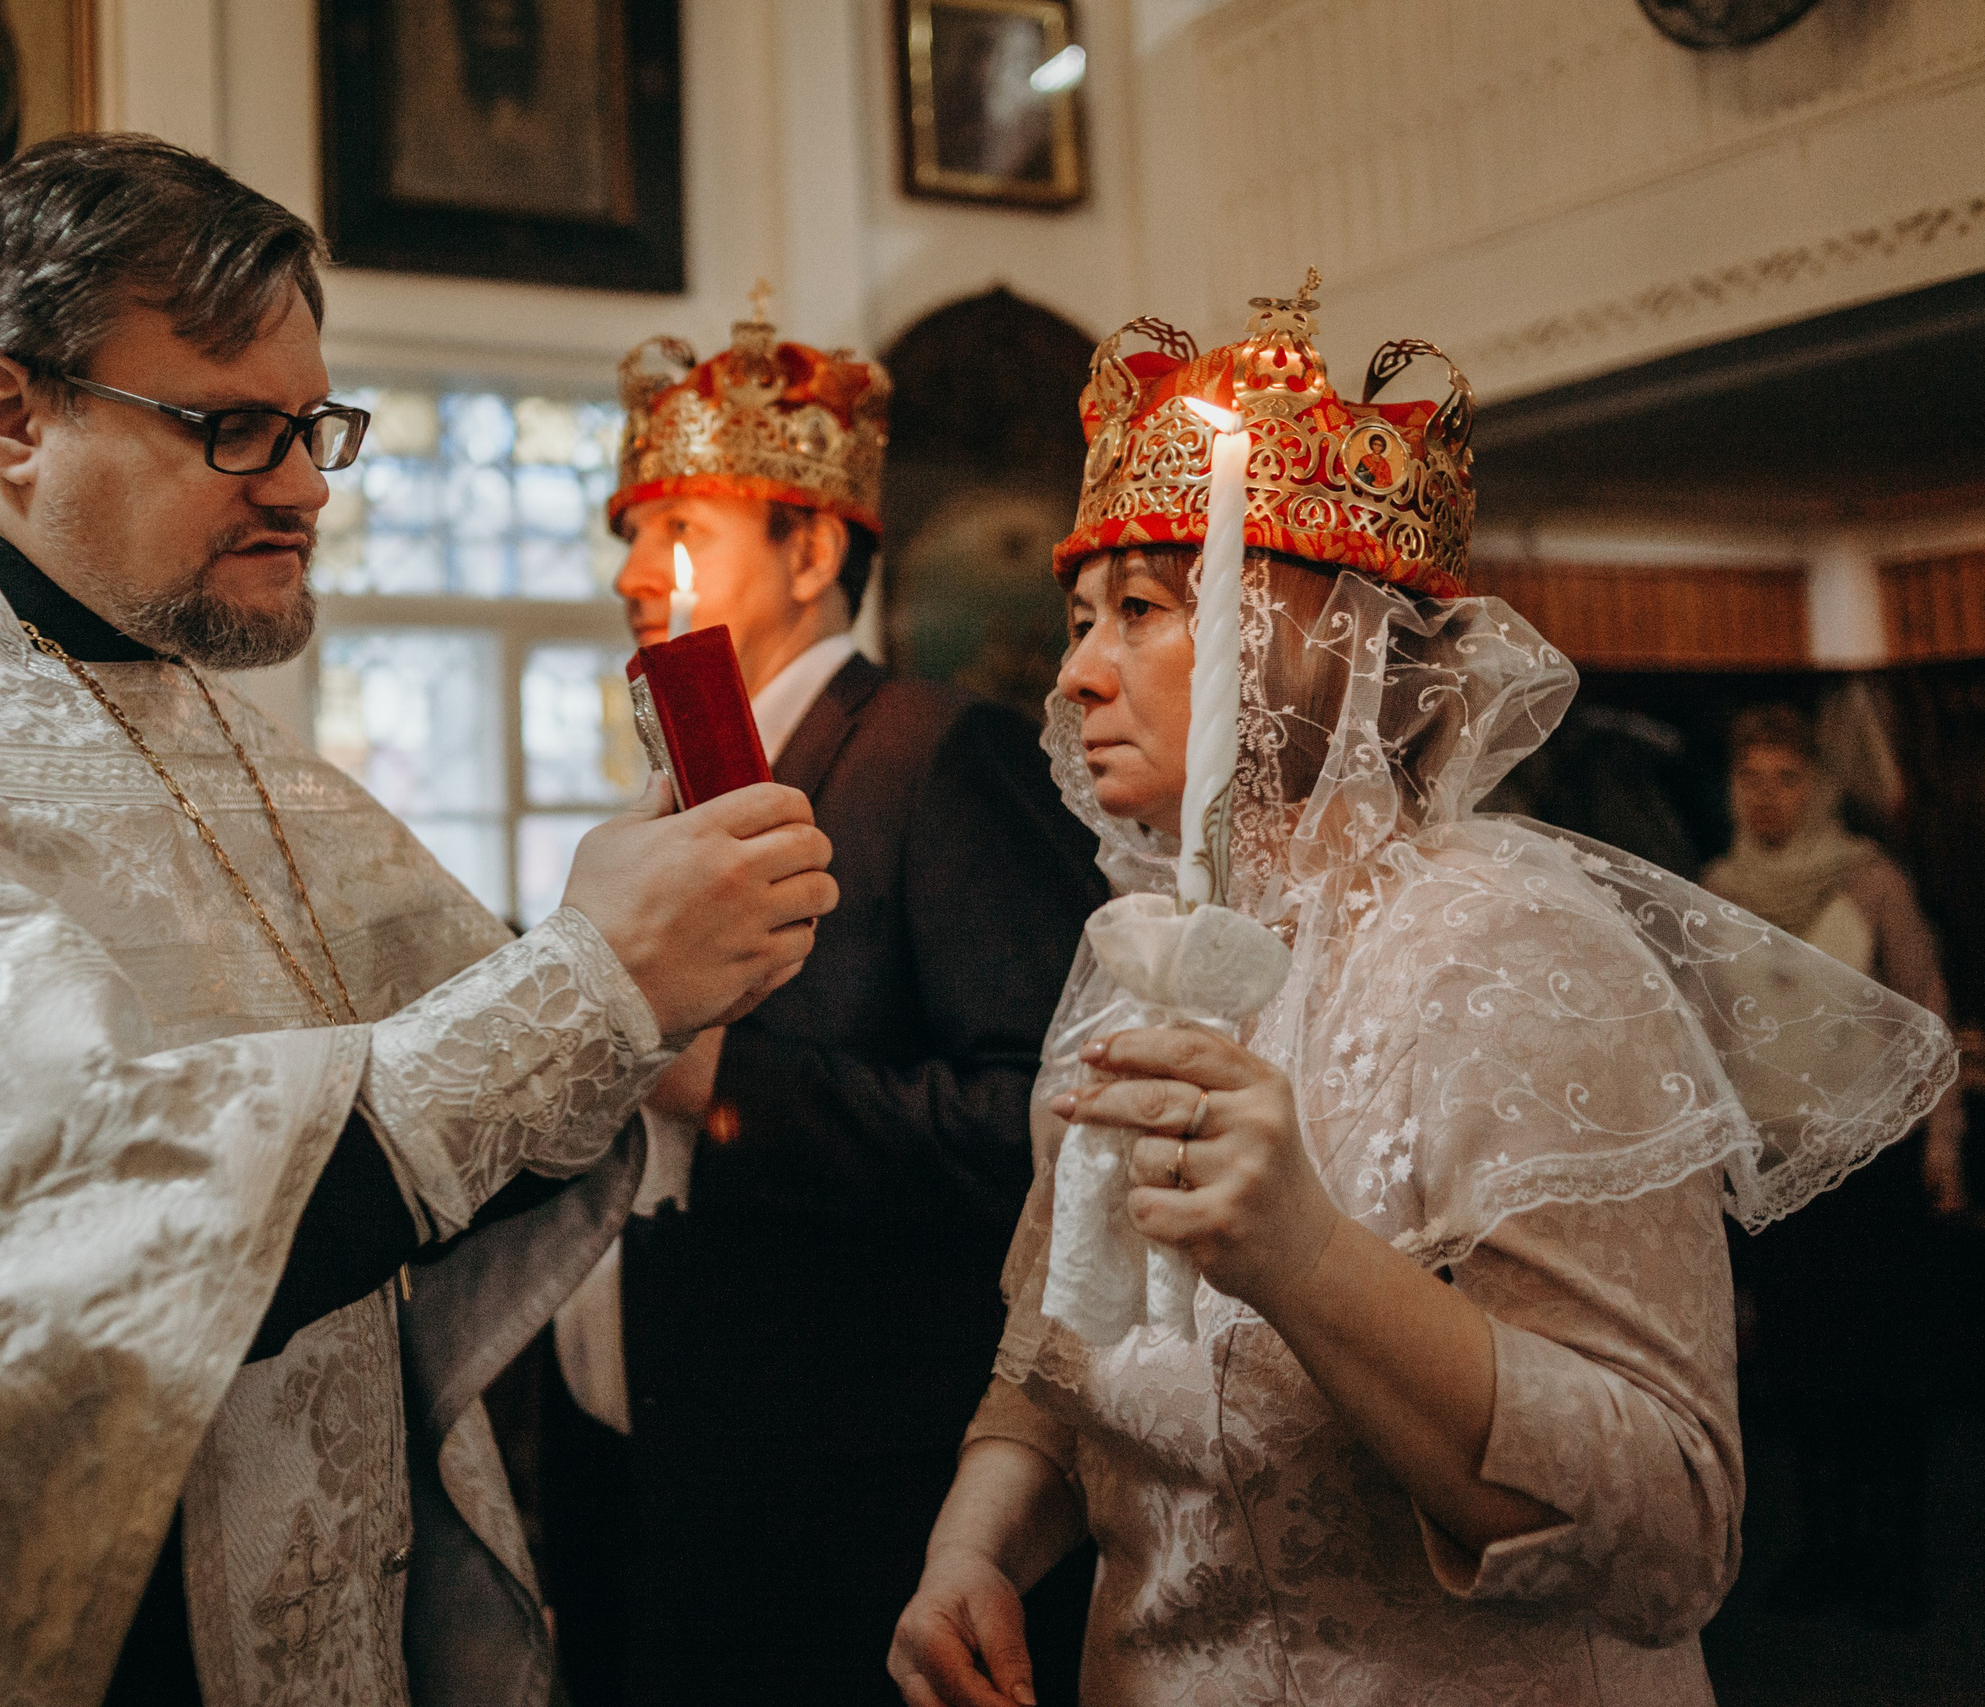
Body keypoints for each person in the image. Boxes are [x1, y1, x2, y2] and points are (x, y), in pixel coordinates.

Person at [0, 136, 837, 1707]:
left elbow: (453, 1076)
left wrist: (634, 961)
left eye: (317, 424)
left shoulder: (181, 707)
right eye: (236, 429)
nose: (311, 486)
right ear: (10, 413)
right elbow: (48, 1255)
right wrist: (593, 985)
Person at [886, 286, 1958, 1706]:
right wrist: (975, 1539)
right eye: (1080, 616)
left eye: (1142, 607)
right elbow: (1059, 1335)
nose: (1075, 672)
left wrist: (1305, 1254)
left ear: (1336, 638)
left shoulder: (1514, 946)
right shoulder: (1139, 951)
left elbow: (1677, 1525)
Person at [537, 303, 1106, 1706]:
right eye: (629, 532)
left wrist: (720, 1079)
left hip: (840, 1477)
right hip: (642, 1455)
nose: (634, 571)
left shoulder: (929, 754)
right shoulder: (671, 781)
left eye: (682, 531)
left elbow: (1033, 1120)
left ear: (812, 547)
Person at [1704, 701, 1966, 1624]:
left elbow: (1927, 1016)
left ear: (1815, 789)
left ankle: (1895, 1562)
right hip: (1775, 1173)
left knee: (1881, 1369)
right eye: (1752, 779)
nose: (1768, 797)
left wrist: (1944, 1146)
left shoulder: (1870, 882)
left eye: (1786, 779)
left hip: (1873, 1165)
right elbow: (1708, 1043)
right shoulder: (1715, 890)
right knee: (1804, 1371)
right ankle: (1825, 1551)